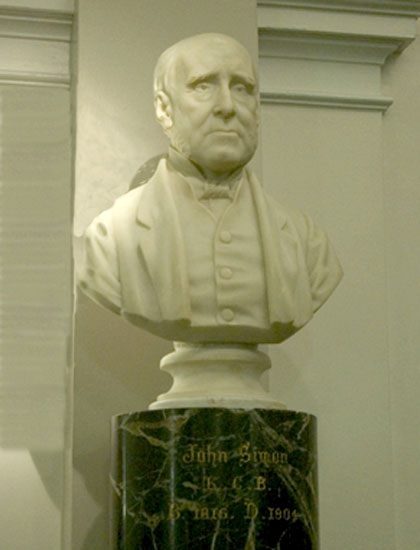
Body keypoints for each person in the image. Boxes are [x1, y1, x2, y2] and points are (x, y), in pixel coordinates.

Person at [79, 33, 343, 344]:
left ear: (257, 110)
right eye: (203, 86)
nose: (227, 106)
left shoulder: (306, 241)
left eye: (242, 88)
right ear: (164, 108)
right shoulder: (109, 238)